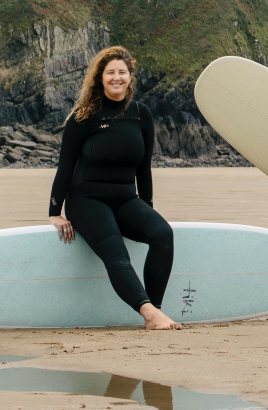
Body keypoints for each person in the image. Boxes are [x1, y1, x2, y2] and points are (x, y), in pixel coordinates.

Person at [48, 45, 181, 330]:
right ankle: (148, 313)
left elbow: (144, 168)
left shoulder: (141, 114)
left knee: (162, 234)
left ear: (130, 77)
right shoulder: (84, 116)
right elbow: (66, 166)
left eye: (122, 72)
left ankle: (155, 310)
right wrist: (54, 211)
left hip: (125, 198)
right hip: (87, 200)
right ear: (100, 78)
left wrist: (147, 209)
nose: (116, 78)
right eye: (110, 73)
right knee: (115, 252)